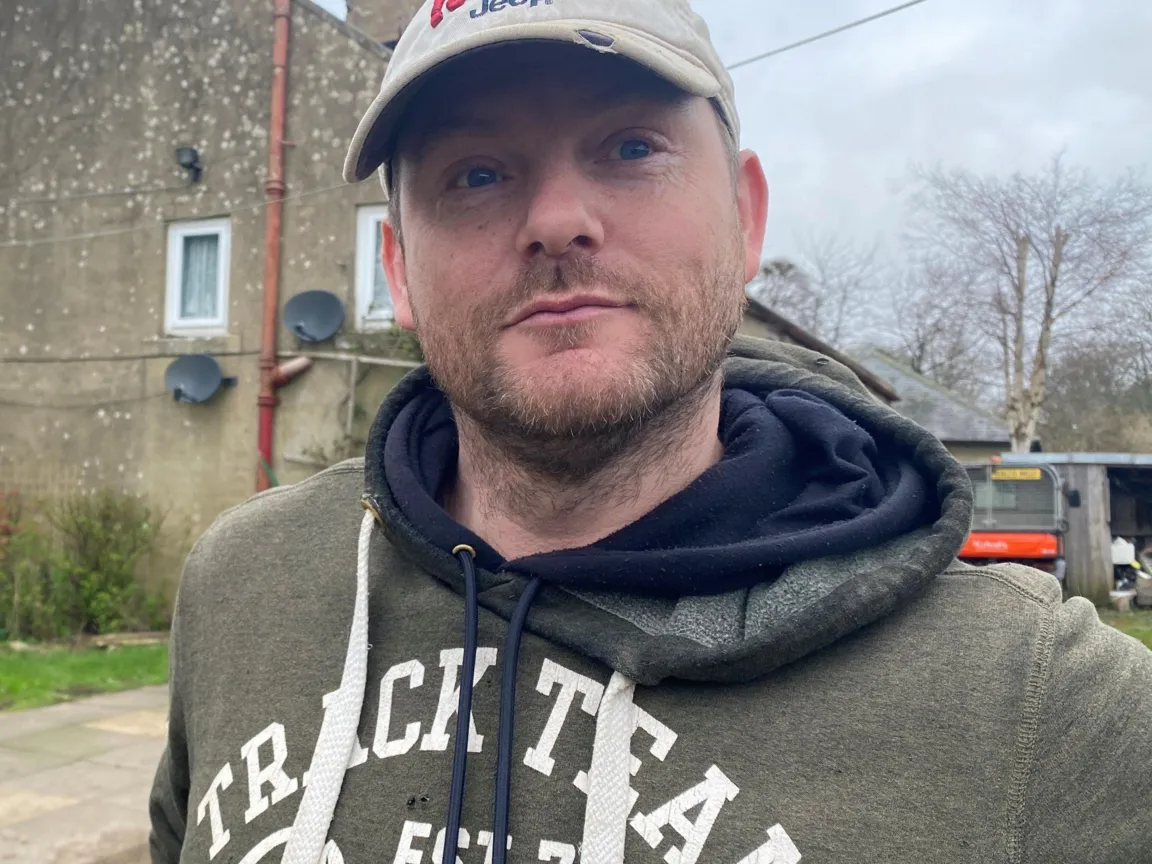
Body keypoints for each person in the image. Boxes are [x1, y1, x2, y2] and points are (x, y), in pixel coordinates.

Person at [149, 0, 1152, 861]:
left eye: (631, 147)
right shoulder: (243, 588)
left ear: (746, 219)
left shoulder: (1045, 711)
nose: (555, 219)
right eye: (476, 174)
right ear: (401, 270)